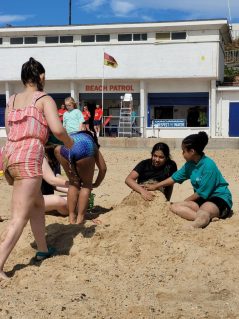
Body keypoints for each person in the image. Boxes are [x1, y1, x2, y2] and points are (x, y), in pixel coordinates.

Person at [0, 57, 73, 280]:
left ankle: (42, 249)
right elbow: (58, 130)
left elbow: (9, 130)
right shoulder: (44, 99)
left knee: (37, 203)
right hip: (28, 160)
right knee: (19, 218)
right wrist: (69, 143)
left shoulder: (11, 100)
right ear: (40, 76)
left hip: (10, 158)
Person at [145, 132, 232, 229]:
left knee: (203, 210)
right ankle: (205, 218)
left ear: (192, 151)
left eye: (183, 151)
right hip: (201, 200)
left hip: (218, 198)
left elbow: (201, 193)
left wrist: (185, 201)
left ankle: (195, 224)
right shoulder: (190, 164)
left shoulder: (209, 165)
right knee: (174, 206)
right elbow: (174, 178)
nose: (182, 154)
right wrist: (155, 186)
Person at [54, 130, 107, 224]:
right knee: (86, 185)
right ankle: (80, 218)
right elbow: (103, 168)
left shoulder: (75, 135)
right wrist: (96, 183)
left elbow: (58, 149)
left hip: (64, 150)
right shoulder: (91, 142)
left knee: (73, 184)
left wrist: (73, 176)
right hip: (83, 149)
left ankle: (71, 217)